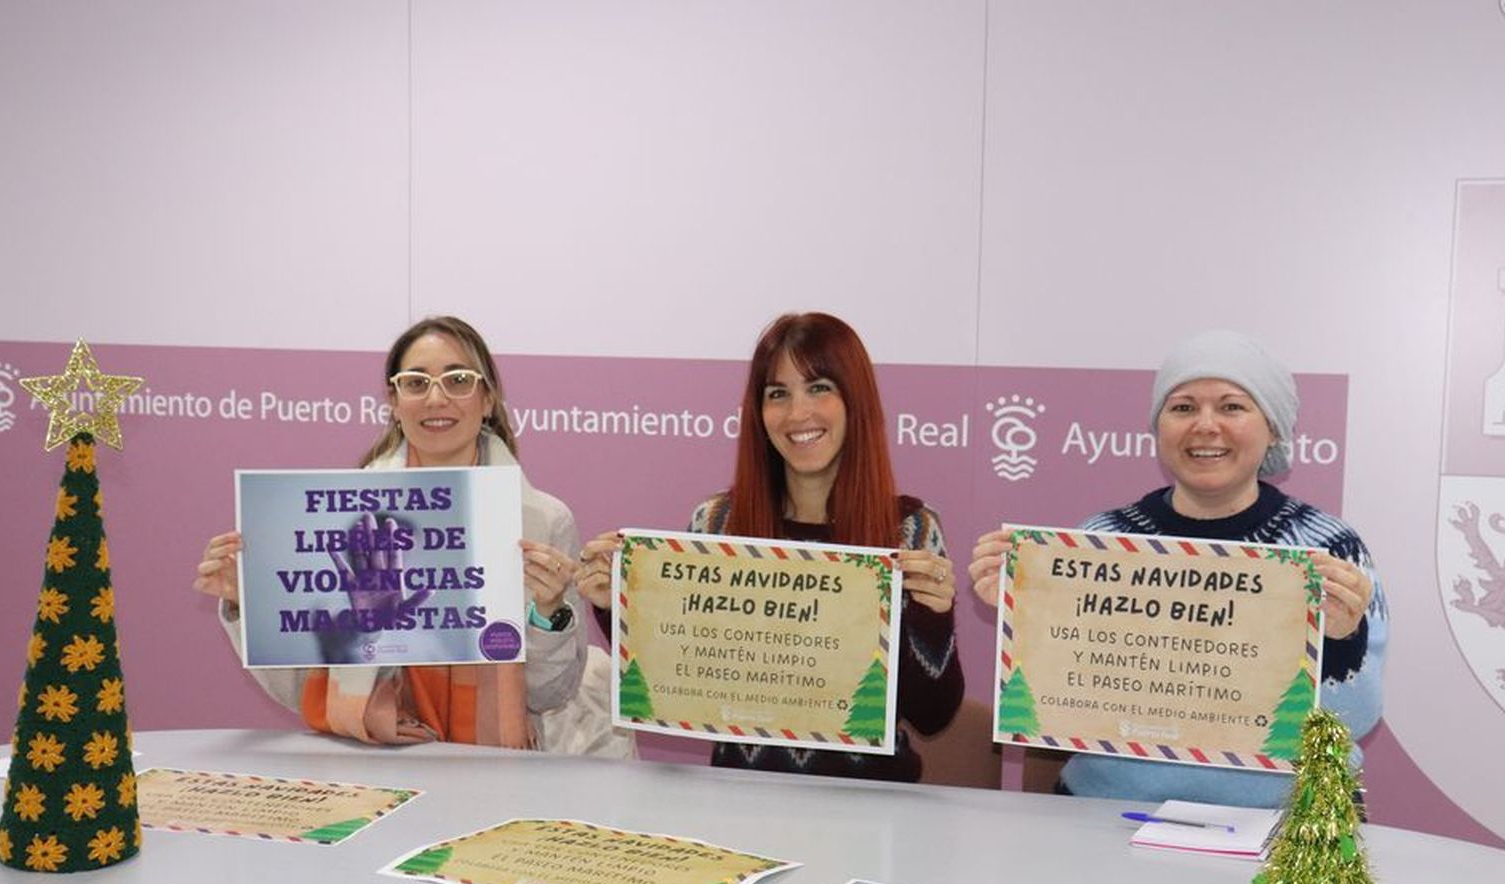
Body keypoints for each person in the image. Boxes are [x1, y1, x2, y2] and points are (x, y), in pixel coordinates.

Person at [968, 329, 1386, 806]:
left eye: (1232, 406)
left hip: (1284, 829)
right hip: (1105, 816)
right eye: (1183, 407)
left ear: (1272, 427)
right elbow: (1051, 704)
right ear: (1158, 426)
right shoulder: (1098, 542)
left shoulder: (1328, 550)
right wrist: (1025, 616)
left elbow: (1358, 718)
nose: (1205, 426)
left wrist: (1340, 640)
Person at [576, 312, 963, 781]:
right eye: (778, 394)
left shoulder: (911, 532)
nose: (798, 414)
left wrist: (933, 619)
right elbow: (677, 679)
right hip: (740, 796)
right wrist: (615, 608)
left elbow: (933, 716)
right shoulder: (717, 524)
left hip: (872, 804)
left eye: (819, 387)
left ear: (855, 400)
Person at [194, 316, 585, 747]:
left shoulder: (543, 521)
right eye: (416, 383)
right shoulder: (343, 520)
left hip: (496, 769)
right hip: (375, 758)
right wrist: (245, 602)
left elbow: (552, 694)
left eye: (458, 380)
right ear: (394, 402)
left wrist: (548, 613)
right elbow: (299, 687)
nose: (436, 398)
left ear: (487, 398)